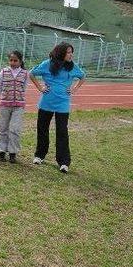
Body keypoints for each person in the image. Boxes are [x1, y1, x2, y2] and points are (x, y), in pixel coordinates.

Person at [29, 42, 86, 173]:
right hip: (46, 102)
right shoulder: (47, 64)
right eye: (68, 52)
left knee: (62, 132)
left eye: (72, 52)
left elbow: (82, 76)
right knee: (42, 129)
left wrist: (74, 88)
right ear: (61, 53)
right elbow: (31, 73)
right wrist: (40, 87)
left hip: (63, 104)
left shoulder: (72, 67)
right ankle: (39, 155)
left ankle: (64, 162)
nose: (71, 55)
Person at [0, 50, 28, 163]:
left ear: (20, 61)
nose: (13, 62)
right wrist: (2, 98)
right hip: (5, 105)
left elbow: (24, 87)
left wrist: (19, 98)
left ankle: (13, 153)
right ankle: (1, 151)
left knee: (15, 129)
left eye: (15, 60)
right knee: (3, 128)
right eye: (11, 60)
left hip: (18, 106)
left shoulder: (24, 73)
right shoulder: (3, 72)